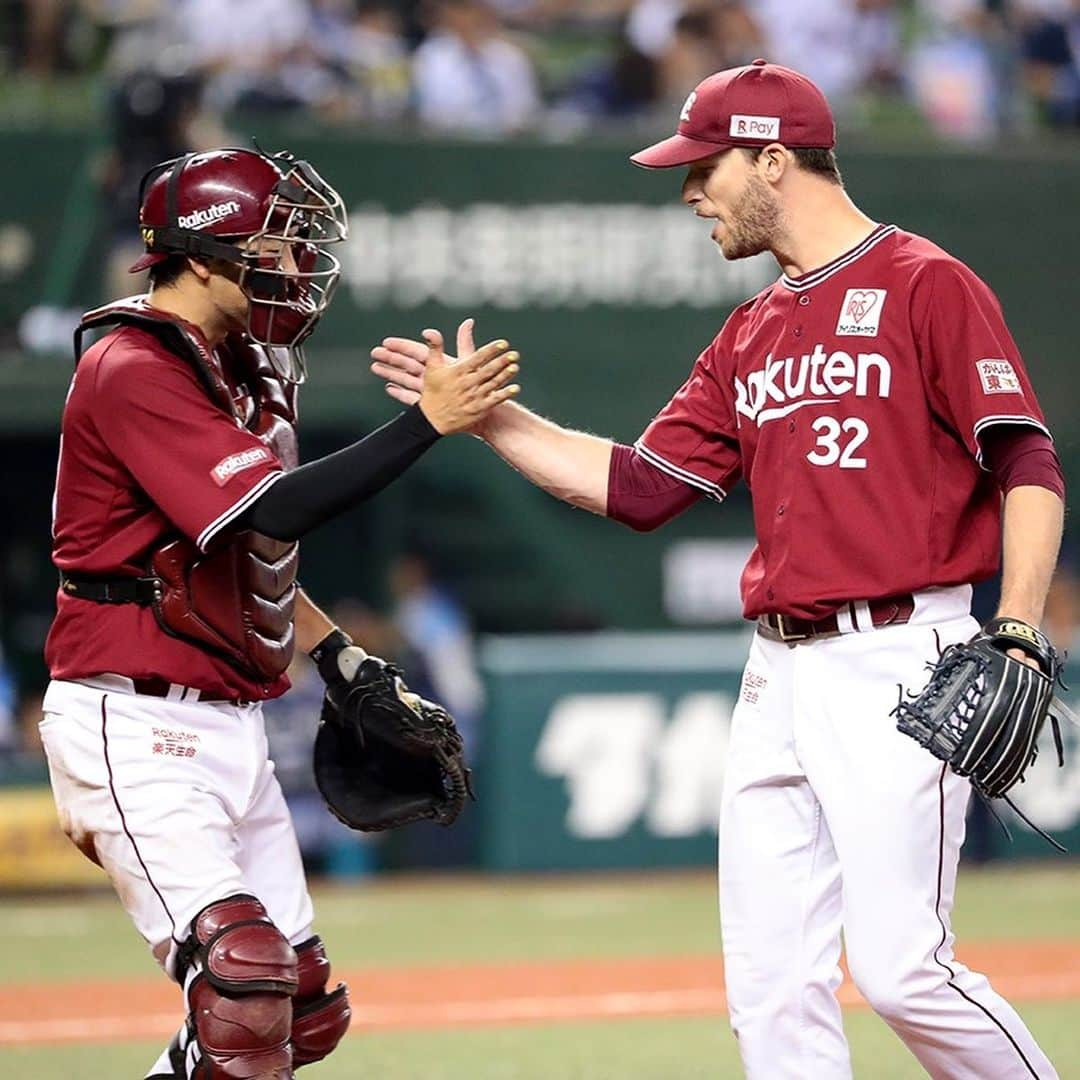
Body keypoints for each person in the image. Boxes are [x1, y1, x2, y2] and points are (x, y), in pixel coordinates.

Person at [370, 60, 1065, 1079]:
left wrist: (1014, 623)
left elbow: (1027, 461)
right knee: (772, 981)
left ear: (775, 160)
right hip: (776, 671)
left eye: (707, 166)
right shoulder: (749, 331)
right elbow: (640, 489)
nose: (692, 190)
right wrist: (490, 421)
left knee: (903, 968)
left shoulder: (926, 282)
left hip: (902, 656)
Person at [40, 146, 520, 1080]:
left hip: (229, 720)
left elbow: (243, 557)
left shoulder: (248, 363)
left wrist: (340, 658)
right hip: (131, 715)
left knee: (301, 1010)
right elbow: (270, 510)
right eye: (282, 243)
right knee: (242, 980)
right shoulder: (131, 363)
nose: (300, 268)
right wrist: (426, 423)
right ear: (209, 249)